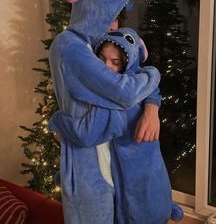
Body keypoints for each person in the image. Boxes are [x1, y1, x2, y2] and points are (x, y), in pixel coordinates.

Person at [48, 0, 161, 224]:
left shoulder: (93, 44)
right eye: (109, 16)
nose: (113, 26)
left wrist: (152, 108)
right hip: (87, 157)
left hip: (107, 156)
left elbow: (132, 76)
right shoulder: (72, 47)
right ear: (92, 9)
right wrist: (154, 73)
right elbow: (125, 92)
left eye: (117, 18)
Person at [51, 27, 184, 223]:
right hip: (138, 167)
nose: (106, 67)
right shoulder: (132, 83)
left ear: (127, 63)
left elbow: (86, 134)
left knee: (141, 203)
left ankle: (163, 209)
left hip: (139, 171)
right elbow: (150, 82)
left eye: (115, 62)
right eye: (101, 59)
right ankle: (165, 208)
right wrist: (152, 106)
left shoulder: (118, 97)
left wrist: (57, 121)